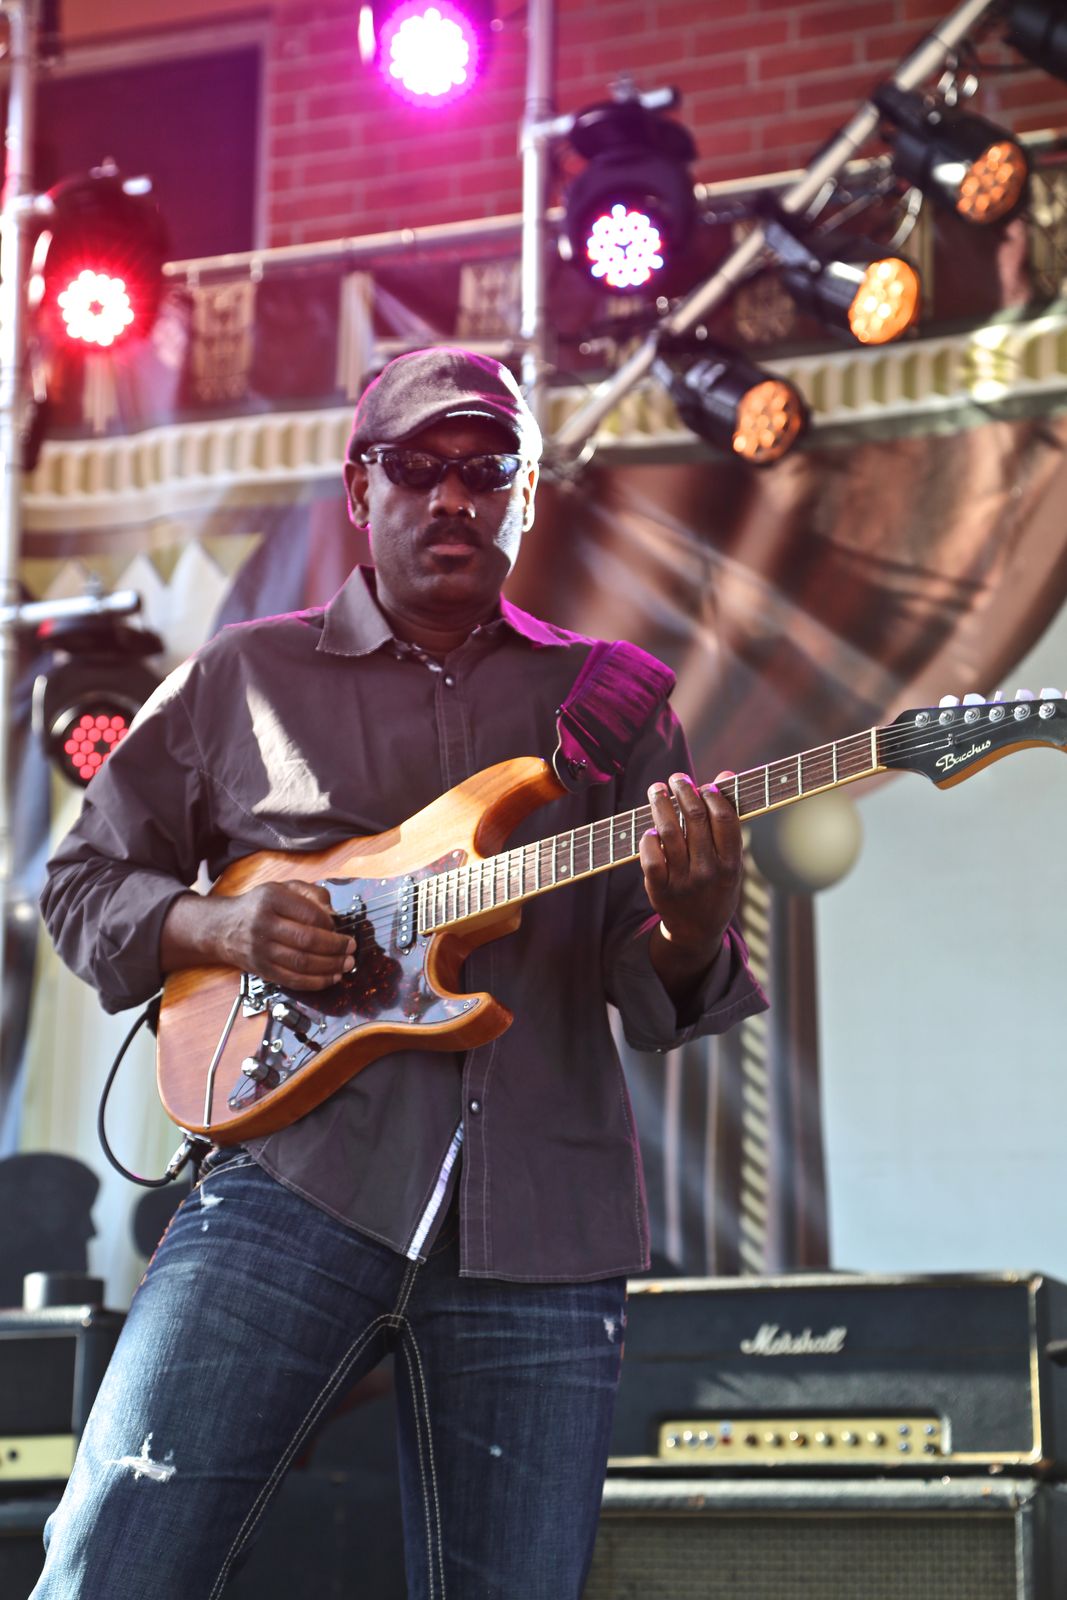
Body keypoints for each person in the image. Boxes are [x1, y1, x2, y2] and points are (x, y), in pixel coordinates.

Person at [33, 347, 766, 1599]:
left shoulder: (613, 702)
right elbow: (82, 884)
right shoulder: (242, 675)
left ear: (524, 496)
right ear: (357, 488)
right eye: (417, 466)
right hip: (290, 1182)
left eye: (486, 470)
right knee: (116, 1562)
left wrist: (692, 924)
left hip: (541, 1219)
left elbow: (646, 982)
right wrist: (225, 929)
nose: (452, 496)